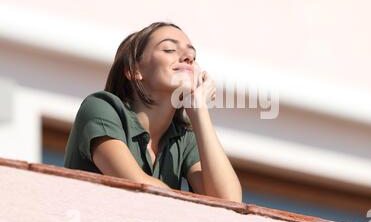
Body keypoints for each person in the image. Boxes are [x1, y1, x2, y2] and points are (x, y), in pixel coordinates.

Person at [64, 22, 242, 202]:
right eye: (169, 49)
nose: (188, 57)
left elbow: (229, 202)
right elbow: (137, 187)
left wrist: (199, 110)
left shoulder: (184, 139)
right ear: (134, 70)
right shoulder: (101, 108)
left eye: (193, 55)